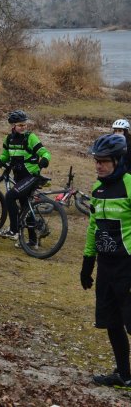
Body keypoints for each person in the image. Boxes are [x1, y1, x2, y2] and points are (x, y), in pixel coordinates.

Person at [80, 134, 131, 389]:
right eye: (96, 161)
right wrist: (87, 261)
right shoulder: (97, 189)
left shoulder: (129, 185)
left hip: (128, 266)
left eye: (104, 162)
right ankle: (124, 374)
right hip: (106, 266)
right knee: (112, 322)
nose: (99, 166)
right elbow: (93, 226)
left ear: (117, 160)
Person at [0, 110, 51, 242]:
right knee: (25, 206)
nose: (23, 127)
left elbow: (45, 152)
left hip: (31, 175)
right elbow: (6, 155)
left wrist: (45, 160)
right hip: (19, 177)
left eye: (24, 124)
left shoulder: (30, 137)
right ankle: (32, 241)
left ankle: (13, 231)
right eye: (20, 125)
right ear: (13, 126)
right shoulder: (8, 139)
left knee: (10, 196)